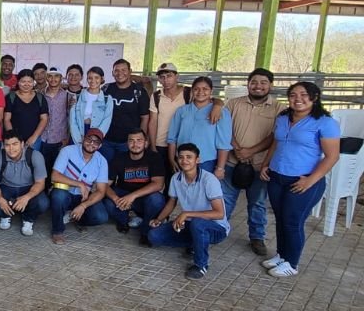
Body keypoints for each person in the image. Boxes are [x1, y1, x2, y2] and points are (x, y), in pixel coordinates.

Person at [259, 82, 340, 277]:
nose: (298, 99)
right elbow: (276, 143)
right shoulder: (283, 117)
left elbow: (332, 156)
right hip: (277, 176)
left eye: (304, 95)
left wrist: (310, 181)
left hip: (303, 180)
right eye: (293, 95)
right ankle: (282, 255)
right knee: (280, 218)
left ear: (314, 97)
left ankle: (292, 263)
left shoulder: (325, 122)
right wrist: (265, 164)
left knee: (292, 221)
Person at [222, 68, 286, 256]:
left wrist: (250, 151)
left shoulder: (279, 109)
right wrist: (237, 149)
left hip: (260, 165)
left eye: (263, 82)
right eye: (254, 82)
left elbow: (275, 136)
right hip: (232, 161)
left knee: (257, 203)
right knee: (225, 200)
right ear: (248, 84)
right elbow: (224, 128)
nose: (258, 86)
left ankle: (257, 237)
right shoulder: (234, 104)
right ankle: (218, 230)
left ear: (271, 85)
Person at [148, 143, 230, 280]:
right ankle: (195, 243)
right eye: (181, 157)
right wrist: (158, 220)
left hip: (216, 229)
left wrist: (186, 214)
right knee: (154, 235)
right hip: (190, 224)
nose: (184, 160)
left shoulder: (209, 180)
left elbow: (219, 213)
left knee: (198, 223)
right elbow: (171, 202)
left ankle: (201, 265)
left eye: (189, 157)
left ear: (197, 160)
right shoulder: (176, 178)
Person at [149, 63, 224, 182]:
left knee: (183, 179)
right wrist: (153, 146)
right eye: (162, 77)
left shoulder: (188, 92)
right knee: (166, 179)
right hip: (161, 144)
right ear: (158, 79)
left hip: (181, 146)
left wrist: (218, 105)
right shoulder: (156, 96)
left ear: (177, 76)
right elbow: (153, 121)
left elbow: (208, 98)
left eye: (169, 76)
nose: (166, 80)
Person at [101, 129, 166, 245]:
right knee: (108, 202)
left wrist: (132, 196)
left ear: (146, 143)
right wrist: (116, 199)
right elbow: (105, 184)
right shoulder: (119, 158)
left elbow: (158, 184)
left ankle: (145, 230)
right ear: (127, 143)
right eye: (131, 141)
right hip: (123, 194)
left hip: (144, 197)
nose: (135, 144)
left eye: (139, 140)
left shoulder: (154, 157)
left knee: (157, 199)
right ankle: (123, 221)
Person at [49, 128, 109, 244]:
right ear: (83, 138)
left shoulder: (102, 161)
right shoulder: (67, 151)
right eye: (89, 139)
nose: (91, 143)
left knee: (101, 216)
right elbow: (55, 176)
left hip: (83, 198)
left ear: (100, 146)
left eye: (96, 142)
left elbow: (101, 191)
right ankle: (57, 230)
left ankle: (76, 218)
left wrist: (83, 206)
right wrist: (79, 184)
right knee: (59, 196)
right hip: (65, 192)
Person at [167, 77, 232, 178]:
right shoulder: (182, 111)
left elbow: (223, 143)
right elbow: (172, 138)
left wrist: (220, 168)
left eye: (205, 89)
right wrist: (172, 159)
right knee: (181, 187)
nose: (200, 92)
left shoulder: (221, 112)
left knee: (203, 187)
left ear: (211, 91)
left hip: (206, 162)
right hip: (182, 160)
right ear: (192, 90)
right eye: (196, 89)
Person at [0, 130, 49, 236]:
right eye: (7, 145)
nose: (11, 148)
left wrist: (26, 197)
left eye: (15, 144)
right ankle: (5, 215)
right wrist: (0, 199)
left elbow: (40, 183)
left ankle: (28, 218)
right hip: (6, 187)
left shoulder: (35, 156)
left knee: (43, 203)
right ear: (3, 146)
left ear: (22, 144)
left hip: (29, 187)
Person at [102, 59, 150, 161]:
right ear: (112, 73)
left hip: (129, 142)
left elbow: (145, 118)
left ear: (130, 71)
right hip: (106, 141)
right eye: (116, 70)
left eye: (123, 70)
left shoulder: (139, 92)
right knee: (106, 168)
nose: (120, 73)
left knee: (125, 169)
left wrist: (141, 139)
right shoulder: (106, 89)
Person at [4, 69, 49, 151]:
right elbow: (7, 119)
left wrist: (34, 137)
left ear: (33, 82)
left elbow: (44, 119)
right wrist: (14, 139)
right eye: (23, 81)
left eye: (29, 81)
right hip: (14, 141)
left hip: (34, 141)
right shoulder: (10, 97)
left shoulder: (40, 98)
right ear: (18, 82)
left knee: (32, 158)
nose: (26, 84)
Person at [40, 67, 73, 180]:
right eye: (50, 76)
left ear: (61, 78)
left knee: (57, 171)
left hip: (60, 140)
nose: (53, 79)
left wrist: (67, 138)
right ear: (46, 78)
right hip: (43, 138)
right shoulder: (40, 95)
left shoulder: (68, 96)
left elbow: (70, 119)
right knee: (42, 171)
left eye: (56, 76)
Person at [69, 66, 112, 145]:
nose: (93, 81)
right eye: (90, 78)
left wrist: (96, 137)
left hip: (97, 133)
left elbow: (106, 121)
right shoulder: (77, 96)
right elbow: (72, 120)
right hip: (78, 132)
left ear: (102, 79)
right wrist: (78, 138)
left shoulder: (107, 99)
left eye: (96, 78)